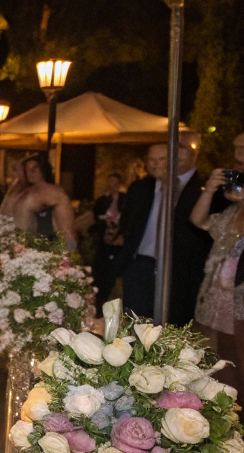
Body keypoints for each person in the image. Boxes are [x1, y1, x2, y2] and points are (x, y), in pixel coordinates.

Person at [115, 132, 213, 324]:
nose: (155, 164)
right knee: (135, 322)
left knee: (169, 324)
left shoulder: (192, 190)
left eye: (161, 159)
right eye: (151, 159)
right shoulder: (141, 188)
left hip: (175, 268)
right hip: (140, 265)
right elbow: (127, 222)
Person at [192, 155, 244, 396]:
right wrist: (209, 191)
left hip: (239, 306)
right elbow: (198, 220)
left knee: (239, 360)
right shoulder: (230, 212)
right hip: (214, 300)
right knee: (213, 362)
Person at [13, 154, 76, 250]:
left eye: (35, 168)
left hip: (56, 244)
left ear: (42, 170)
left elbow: (67, 230)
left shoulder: (52, 191)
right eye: (28, 170)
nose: (31, 173)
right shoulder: (27, 192)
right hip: (34, 244)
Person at [91, 173, 126, 311]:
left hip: (117, 244)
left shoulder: (125, 199)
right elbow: (96, 216)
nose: (113, 185)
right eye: (111, 182)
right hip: (104, 242)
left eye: (115, 182)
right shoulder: (103, 200)